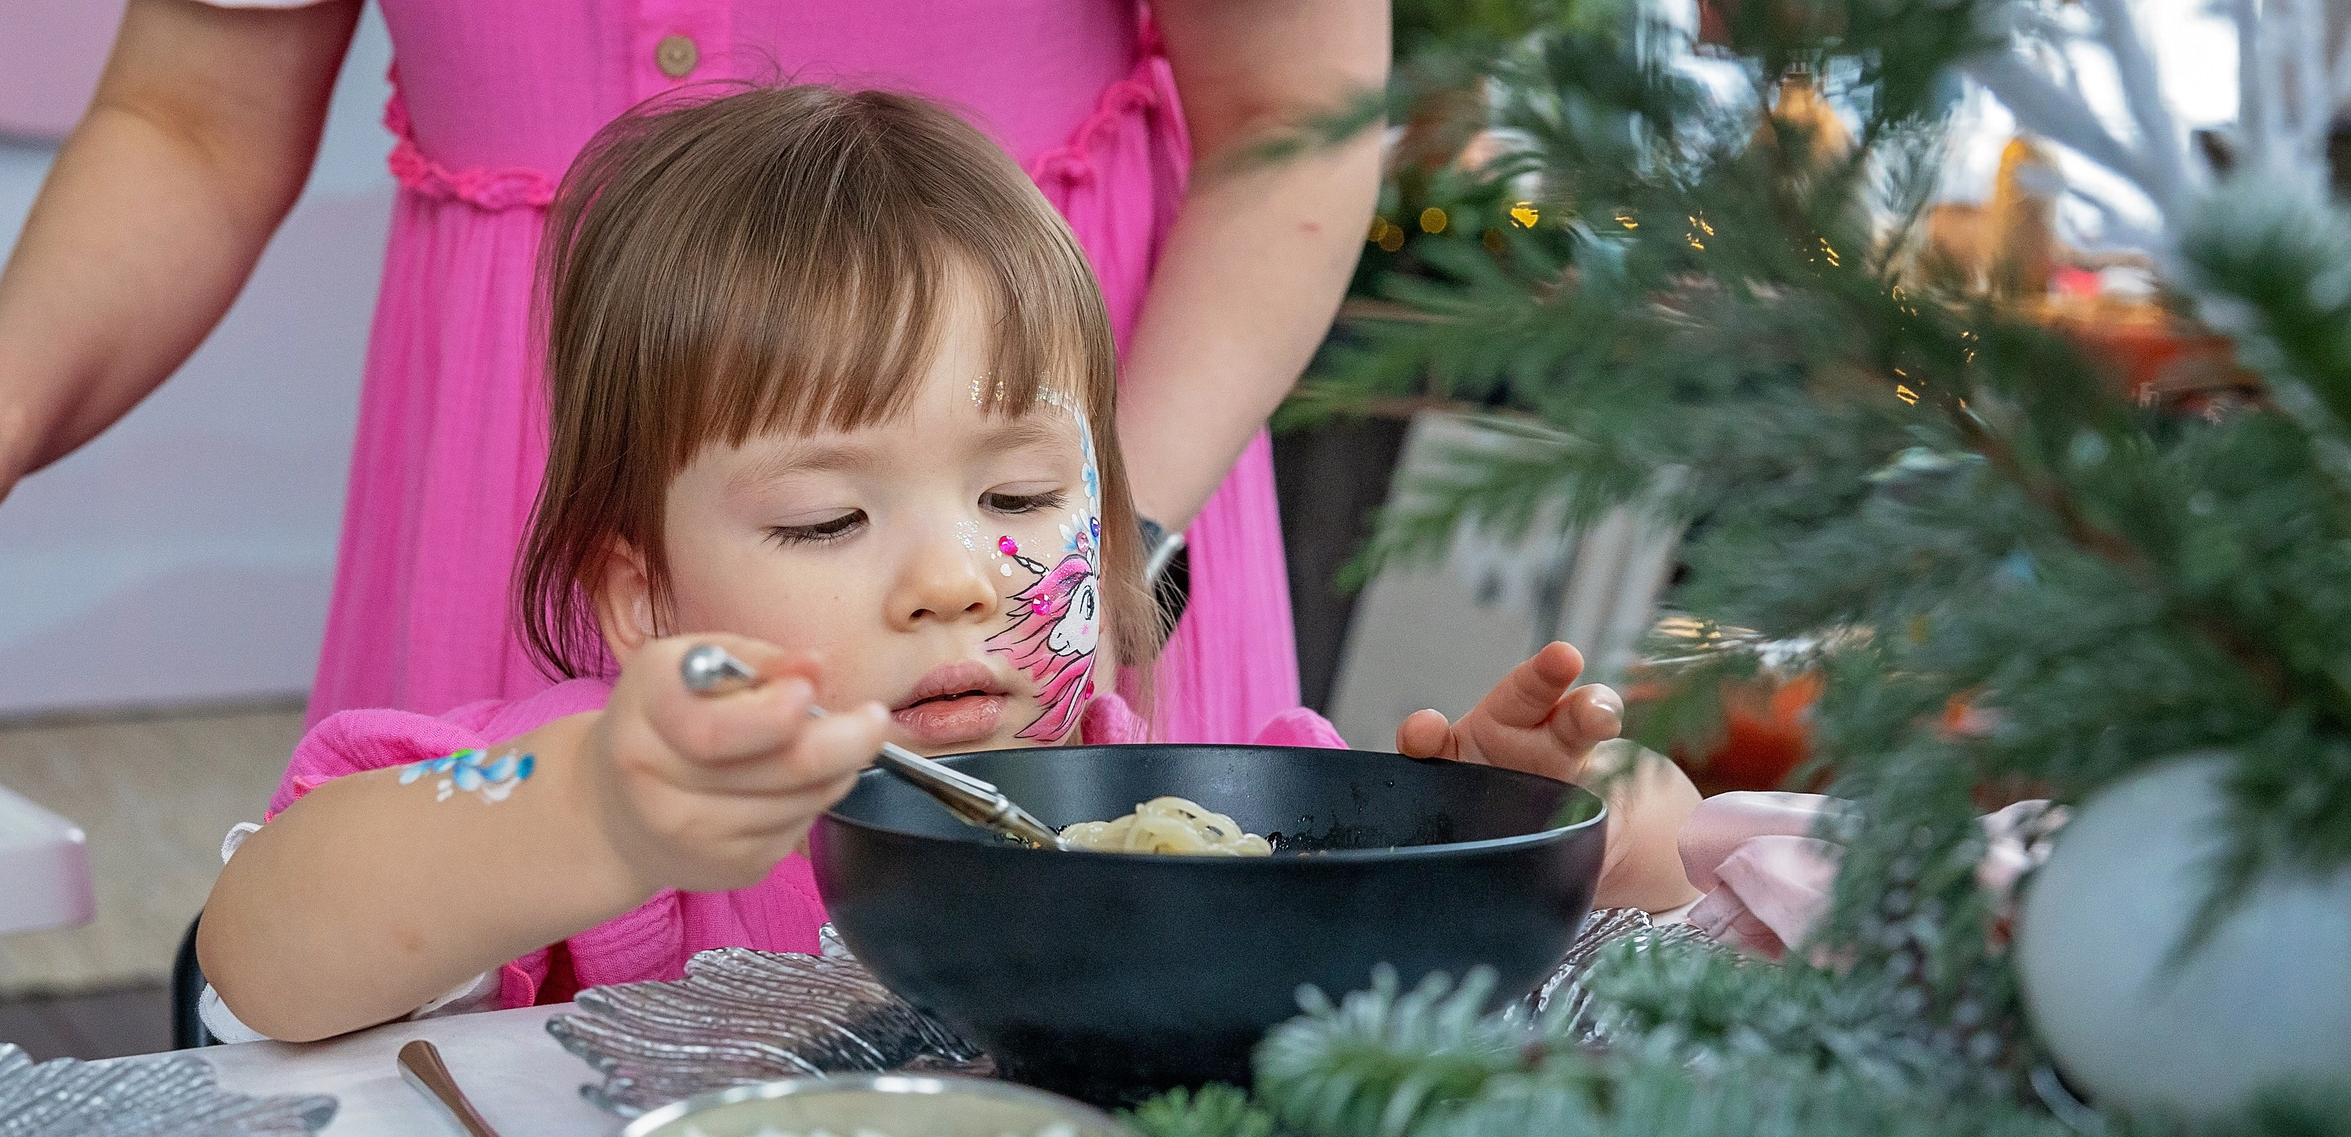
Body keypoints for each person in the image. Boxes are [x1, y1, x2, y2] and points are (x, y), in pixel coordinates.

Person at [197, 87, 1700, 1043]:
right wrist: (594, 814)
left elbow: (1613, 917)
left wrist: (1542, 830)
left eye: (1026, 492)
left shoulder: (1213, 794)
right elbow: (261, 955)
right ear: (643, 594)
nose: (957, 582)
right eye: (824, 521)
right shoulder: (600, 794)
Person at [0, 0, 1387, 740]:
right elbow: (195, 119)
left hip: (1051, 503)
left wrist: (1107, 546)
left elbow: (1293, 119)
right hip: (528, 498)